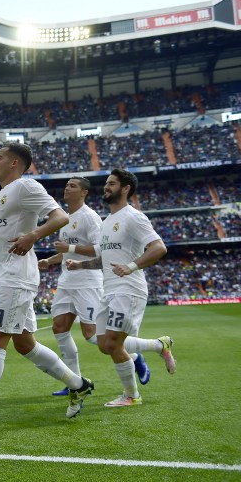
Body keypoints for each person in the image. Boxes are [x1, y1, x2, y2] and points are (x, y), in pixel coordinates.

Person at [0, 143, 94, 431]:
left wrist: (33, 236)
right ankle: (79, 384)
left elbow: (60, 217)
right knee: (25, 344)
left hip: (17, 277)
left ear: (14, 163)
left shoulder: (26, 187)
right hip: (9, 276)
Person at [66, 169, 176, 407]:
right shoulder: (107, 223)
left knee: (113, 343)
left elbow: (159, 247)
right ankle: (159, 345)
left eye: (112, 184)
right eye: (106, 183)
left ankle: (132, 396)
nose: (106, 187)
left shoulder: (133, 217)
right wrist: (80, 265)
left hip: (129, 289)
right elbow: (104, 260)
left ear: (125, 189)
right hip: (110, 290)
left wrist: (131, 266)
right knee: (104, 344)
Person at [37, 177, 150, 396]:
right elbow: (67, 252)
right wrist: (49, 261)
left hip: (87, 281)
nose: (67, 189)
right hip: (66, 280)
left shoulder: (89, 217)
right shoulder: (66, 218)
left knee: (91, 335)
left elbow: (101, 249)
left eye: (72, 186)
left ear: (84, 192)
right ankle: (75, 382)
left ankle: (138, 355)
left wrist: (69, 246)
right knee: (59, 328)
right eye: (66, 185)